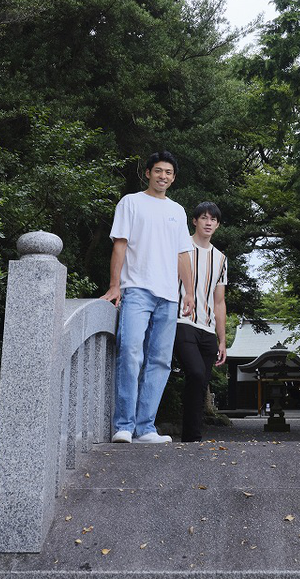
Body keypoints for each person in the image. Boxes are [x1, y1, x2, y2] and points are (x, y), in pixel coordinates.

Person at [102, 151, 195, 444]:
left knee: (160, 362)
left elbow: (182, 254)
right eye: (158, 171)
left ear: (173, 178)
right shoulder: (131, 202)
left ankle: (146, 428)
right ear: (148, 173)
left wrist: (190, 292)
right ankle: (124, 425)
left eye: (168, 172)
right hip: (136, 289)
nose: (163, 176)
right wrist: (115, 286)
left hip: (168, 295)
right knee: (130, 353)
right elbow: (120, 245)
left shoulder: (177, 210)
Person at [172, 201, 228, 442]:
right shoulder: (181, 247)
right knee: (195, 373)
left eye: (213, 219)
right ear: (194, 221)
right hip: (182, 320)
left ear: (217, 225)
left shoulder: (221, 258)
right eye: (204, 218)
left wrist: (222, 340)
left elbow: (219, 302)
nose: (208, 223)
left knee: (201, 382)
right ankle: (189, 435)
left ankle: (192, 438)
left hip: (208, 329)